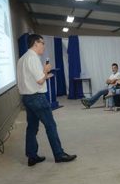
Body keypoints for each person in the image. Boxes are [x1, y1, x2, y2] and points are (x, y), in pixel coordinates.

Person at [17, 34, 77, 166]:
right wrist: (45, 71)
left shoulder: (22, 58)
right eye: (42, 43)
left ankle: (32, 156)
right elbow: (39, 80)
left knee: (32, 127)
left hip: (27, 98)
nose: (44, 46)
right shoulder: (33, 58)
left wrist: (44, 75)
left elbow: (29, 79)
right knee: (50, 125)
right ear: (35, 43)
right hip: (37, 97)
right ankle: (59, 154)